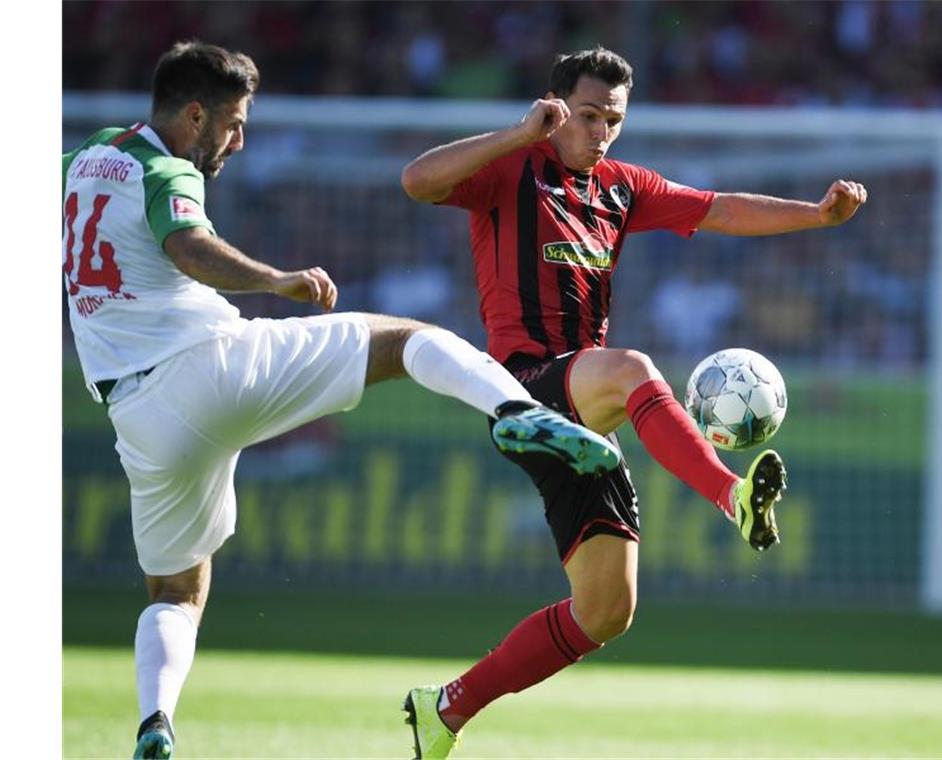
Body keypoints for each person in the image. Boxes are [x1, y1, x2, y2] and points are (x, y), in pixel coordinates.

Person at [62, 41, 621, 760]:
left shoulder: (83, 159)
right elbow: (189, 245)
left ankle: (155, 723)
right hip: (210, 368)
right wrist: (279, 279)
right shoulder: (166, 168)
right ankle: (517, 411)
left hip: (134, 417)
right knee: (405, 339)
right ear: (193, 114)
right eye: (231, 122)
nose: (238, 138)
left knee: (173, 589)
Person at [399, 46, 867, 758]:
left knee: (606, 613)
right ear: (554, 110)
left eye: (613, 119)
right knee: (634, 368)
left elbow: (722, 209)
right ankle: (731, 495)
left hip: (582, 416)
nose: (600, 132)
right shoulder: (509, 168)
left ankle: (445, 709)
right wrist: (518, 134)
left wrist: (818, 215)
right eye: (587, 116)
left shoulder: (622, 186)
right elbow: (417, 181)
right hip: (523, 388)